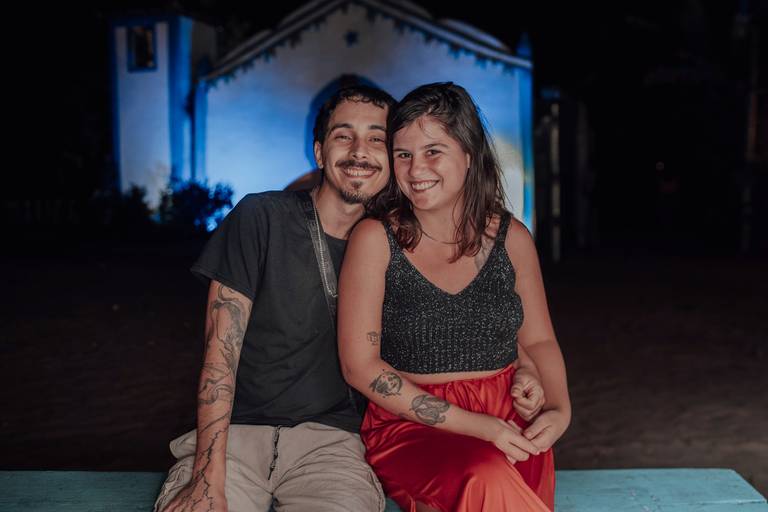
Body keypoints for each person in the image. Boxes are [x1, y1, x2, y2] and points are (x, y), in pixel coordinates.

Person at [154, 85, 396, 512]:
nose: (359, 151)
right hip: (234, 439)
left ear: (392, 159)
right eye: (344, 135)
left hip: (332, 446)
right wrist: (208, 476)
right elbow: (219, 356)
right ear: (319, 152)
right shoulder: (260, 217)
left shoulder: (396, 244)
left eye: (376, 139)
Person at [338, 82, 571, 512]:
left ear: (469, 155)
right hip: (412, 426)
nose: (415, 169)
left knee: (494, 473)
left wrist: (557, 408)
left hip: (508, 420)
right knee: (485, 475)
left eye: (433, 151)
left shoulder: (512, 239)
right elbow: (360, 367)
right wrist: (480, 427)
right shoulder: (375, 240)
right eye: (403, 154)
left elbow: (538, 341)